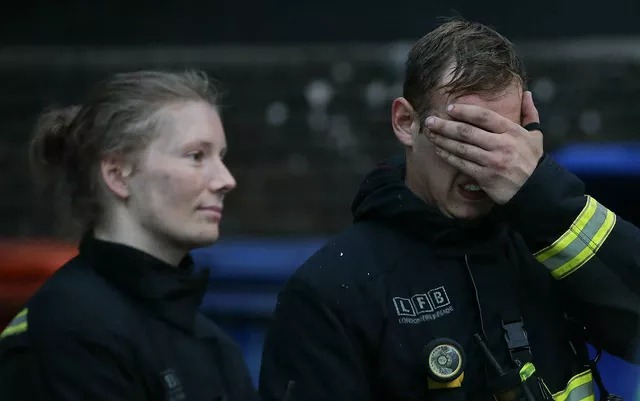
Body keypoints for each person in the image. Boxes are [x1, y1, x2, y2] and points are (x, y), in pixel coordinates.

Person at [259, 19, 640, 401]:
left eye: (500, 140)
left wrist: (545, 196)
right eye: (462, 135)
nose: (483, 163)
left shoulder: (546, 248)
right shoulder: (331, 292)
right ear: (406, 123)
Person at [0, 70, 259, 401]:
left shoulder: (212, 345)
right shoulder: (68, 328)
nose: (226, 179)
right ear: (118, 174)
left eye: (220, 158)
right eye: (197, 156)